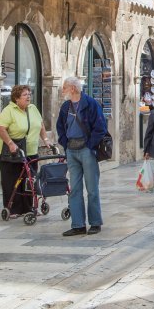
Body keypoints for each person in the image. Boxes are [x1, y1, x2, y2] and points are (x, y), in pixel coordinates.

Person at [56, 77, 108, 236]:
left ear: (72, 88)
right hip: (71, 150)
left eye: (64, 87)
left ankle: (95, 222)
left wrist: (90, 145)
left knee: (92, 188)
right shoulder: (66, 107)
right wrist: (65, 143)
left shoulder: (90, 104)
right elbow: (60, 127)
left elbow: (101, 127)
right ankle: (78, 224)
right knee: (75, 189)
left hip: (86, 150)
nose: (63, 90)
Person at [0, 85, 52, 216]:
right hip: (12, 152)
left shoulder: (33, 109)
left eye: (29, 94)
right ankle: (12, 209)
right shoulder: (8, 111)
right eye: (25, 95)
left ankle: (28, 208)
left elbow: (41, 124)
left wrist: (45, 139)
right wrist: (10, 143)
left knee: (29, 180)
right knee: (12, 180)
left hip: (31, 151)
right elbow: (0, 129)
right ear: (16, 98)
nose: (28, 97)